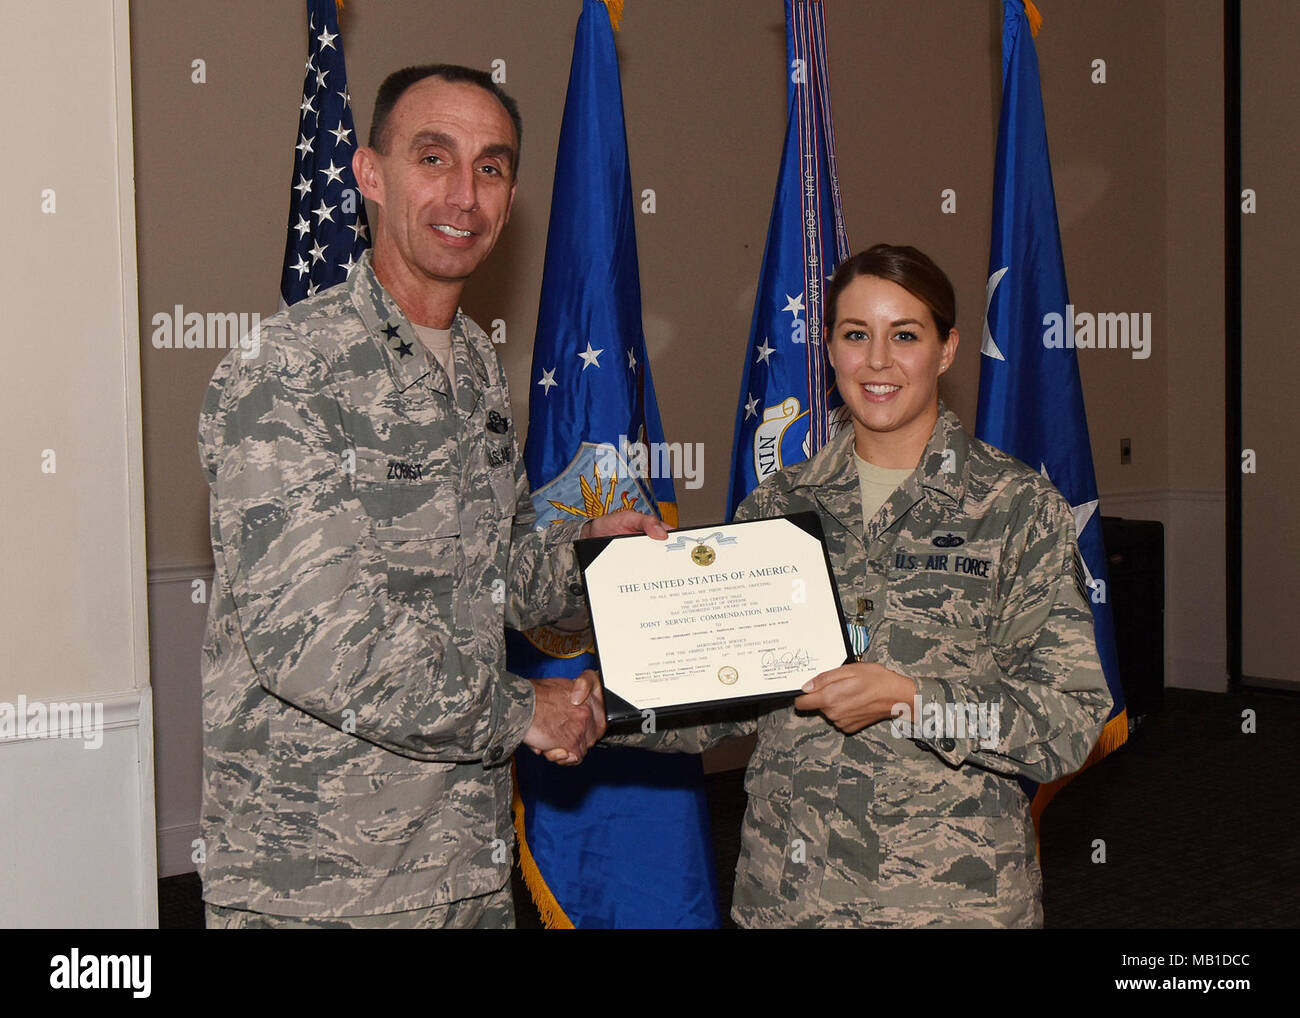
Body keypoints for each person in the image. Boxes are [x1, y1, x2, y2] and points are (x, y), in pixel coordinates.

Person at [197, 64, 665, 929]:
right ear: (371, 175)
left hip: (464, 864)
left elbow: (493, 577)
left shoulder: (478, 368)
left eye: (490, 167)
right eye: (433, 157)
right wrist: (526, 709)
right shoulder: (288, 374)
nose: (463, 193)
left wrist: (594, 559)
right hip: (325, 885)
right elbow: (319, 640)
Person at [605, 244, 1113, 927]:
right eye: (855, 335)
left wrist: (913, 701)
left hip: (949, 906)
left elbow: (1070, 722)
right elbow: (723, 703)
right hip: (791, 900)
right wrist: (598, 706)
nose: (877, 361)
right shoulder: (779, 507)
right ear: (829, 349)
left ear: (947, 348)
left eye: (905, 335)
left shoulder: (1018, 508)